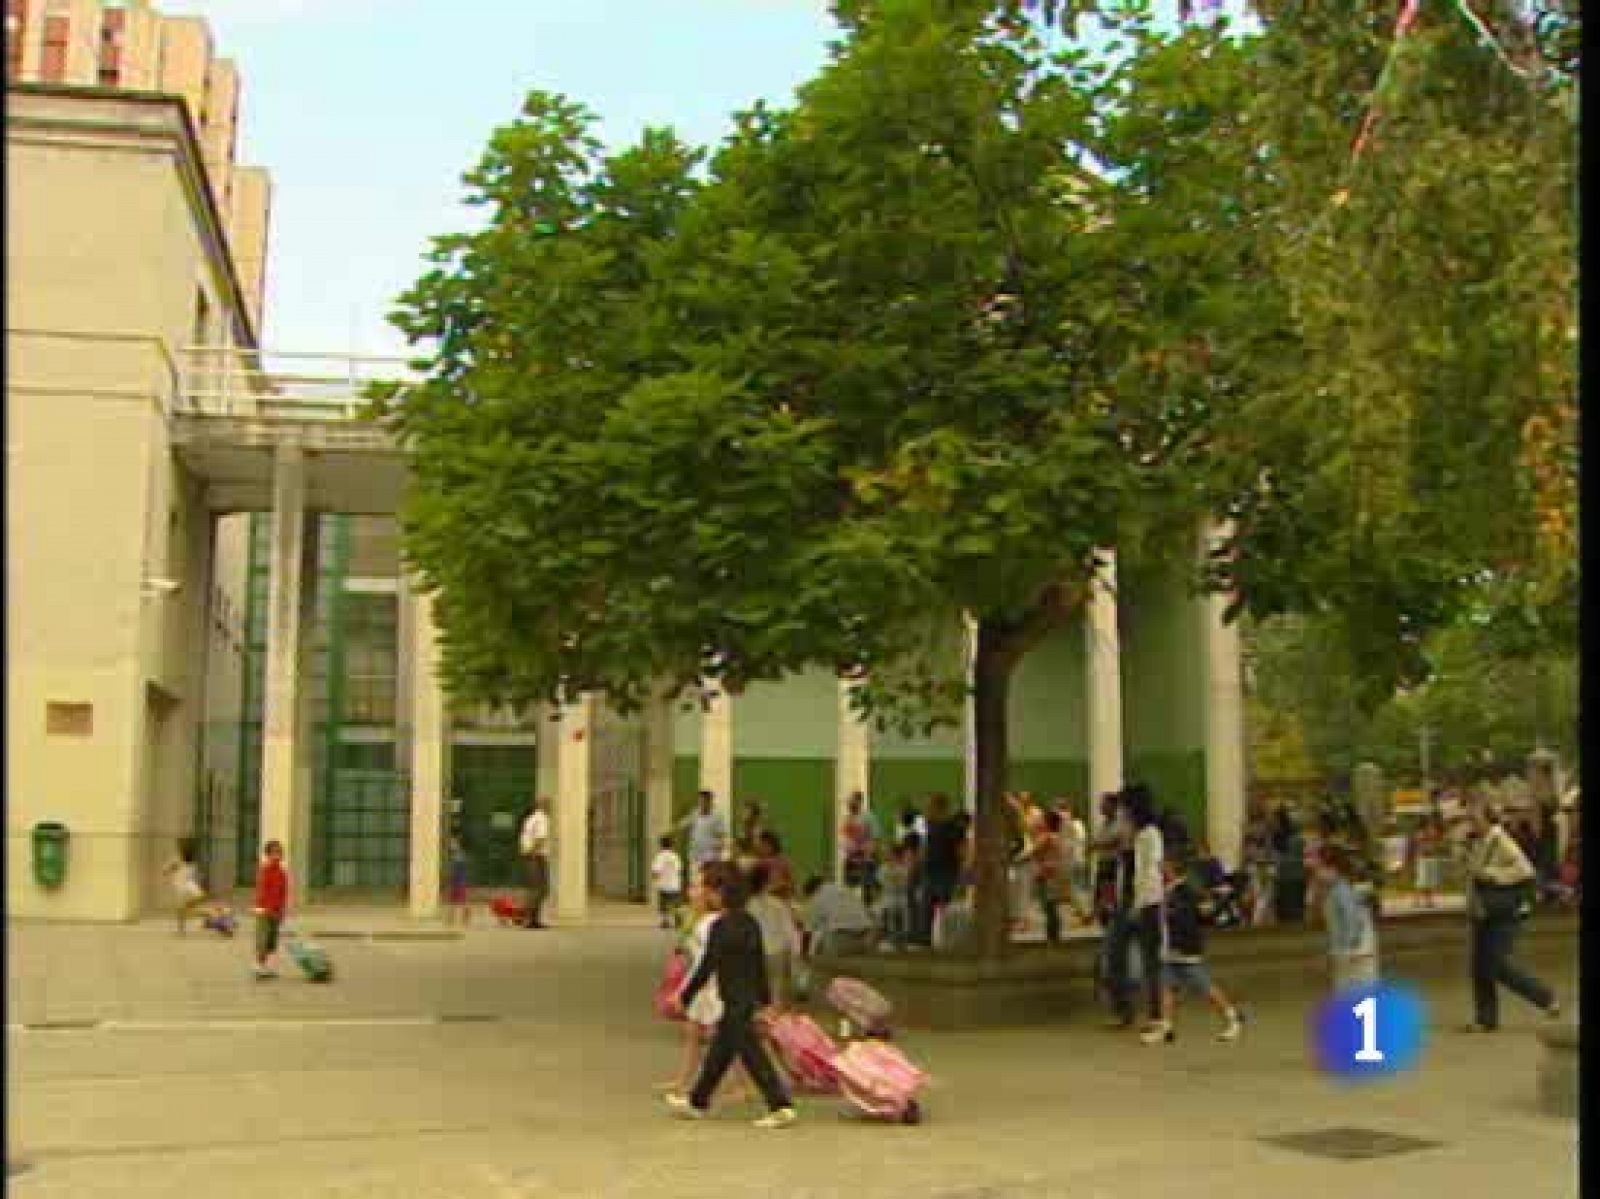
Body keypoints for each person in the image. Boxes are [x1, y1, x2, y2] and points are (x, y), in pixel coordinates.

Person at [667, 863, 798, 1128]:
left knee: (753, 1056)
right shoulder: (750, 923)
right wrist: (765, 1000)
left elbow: (707, 966)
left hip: (733, 999)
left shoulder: (720, 926)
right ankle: (697, 1101)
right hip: (744, 999)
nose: (705, 894)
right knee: (720, 1053)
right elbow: (758, 964)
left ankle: (780, 1105)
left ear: (720, 893)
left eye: (708, 888)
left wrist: (685, 996)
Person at [1460, 803, 1561, 1033]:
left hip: (1503, 911)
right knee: (1480, 967)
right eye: (1470, 818)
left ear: (1488, 819)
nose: (1471, 822)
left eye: (1475, 818)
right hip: (1483, 910)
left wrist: (1493, 875)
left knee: (1497, 965)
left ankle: (1546, 998)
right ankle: (1485, 1019)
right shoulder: (1478, 841)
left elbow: (1525, 871)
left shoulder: (1500, 840)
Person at [659, 864, 752, 1103]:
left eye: (697, 887)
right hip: (705, 986)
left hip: (713, 987)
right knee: (694, 1032)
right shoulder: (702, 920)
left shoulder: (711, 923)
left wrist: (685, 991)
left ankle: (740, 1084)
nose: (691, 892)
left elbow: (706, 961)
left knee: (724, 1035)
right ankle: (684, 1080)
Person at [1142, 856, 1244, 1045]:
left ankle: (1232, 1018)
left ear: (1172, 867)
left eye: (1163, 865)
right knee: (1167, 988)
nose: (1159, 869)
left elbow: (1198, 914)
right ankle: (1166, 1028)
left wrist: (1220, 900)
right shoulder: (1171, 889)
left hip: (1184, 950)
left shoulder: (1186, 889)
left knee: (1205, 987)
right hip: (1170, 949)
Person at [1123, 785, 1167, 1036]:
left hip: (1150, 902)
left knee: (1152, 960)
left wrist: (1140, 903)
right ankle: (1155, 1012)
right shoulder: (1142, 835)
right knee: (1149, 960)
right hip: (1145, 901)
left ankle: (1158, 1015)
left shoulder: (1150, 835)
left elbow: (1150, 871)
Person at [1315, 844, 1379, 990]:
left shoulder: (1341, 890)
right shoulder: (1336, 890)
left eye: (1320, 869)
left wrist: (1349, 950)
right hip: (1354, 951)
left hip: (1355, 952)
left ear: (1333, 869)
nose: (1318, 874)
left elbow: (1352, 919)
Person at [747, 863, 801, 1007]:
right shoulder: (778, 904)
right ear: (767, 882)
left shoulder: (746, 905)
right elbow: (790, 931)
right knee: (775, 993)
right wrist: (796, 953)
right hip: (776, 951)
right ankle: (775, 1016)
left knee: (754, 994)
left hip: (753, 953)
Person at [920, 794, 965, 944]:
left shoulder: (953, 827)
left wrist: (962, 872)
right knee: (927, 910)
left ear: (939, 808)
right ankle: (927, 941)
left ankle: (945, 941)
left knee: (944, 911)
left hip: (946, 874)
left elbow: (961, 850)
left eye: (929, 807)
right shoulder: (931, 826)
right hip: (931, 873)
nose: (927, 811)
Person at [800, 875, 877, 958]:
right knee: (823, 937)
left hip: (843, 938)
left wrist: (804, 954)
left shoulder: (815, 899)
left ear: (810, 891)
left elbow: (808, 931)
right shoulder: (841, 889)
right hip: (868, 935)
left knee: (824, 946)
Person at [1019, 808, 1065, 944]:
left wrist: (1016, 859)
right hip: (1048, 873)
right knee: (1049, 906)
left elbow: (1032, 852)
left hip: (1047, 874)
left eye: (1042, 819)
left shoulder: (1048, 836)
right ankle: (1053, 936)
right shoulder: (1053, 836)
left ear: (1047, 822)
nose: (1039, 821)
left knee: (1050, 906)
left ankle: (1053, 937)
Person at [252, 840, 289, 981]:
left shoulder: (282, 873)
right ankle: (258, 966)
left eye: (280, 852)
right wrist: (266, 908)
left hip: (276, 911)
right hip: (264, 911)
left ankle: (266, 966)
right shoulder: (265, 870)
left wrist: (281, 910)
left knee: (271, 941)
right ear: (268, 855)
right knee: (263, 939)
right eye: (274, 853)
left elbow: (283, 893)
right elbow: (261, 891)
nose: (278, 855)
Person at [162, 837, 212, 935]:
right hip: (188, 887)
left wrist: (169, 871)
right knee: (185, 909)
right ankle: (205, 916)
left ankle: (205, 916)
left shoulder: (180, 860)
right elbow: (197, 875)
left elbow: (166, 870)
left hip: (184, 887)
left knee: (184, 909)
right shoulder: (189, 861)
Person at [840, 791, 881, 906]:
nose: (849, 803)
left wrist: (869, 854)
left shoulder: (869, 817)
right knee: (848, 886)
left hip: (866, 858)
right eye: (849, 801)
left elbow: (875, 837)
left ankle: (868, 908)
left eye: (852, 800)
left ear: (859, 801)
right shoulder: (847, 819)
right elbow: (845, 838)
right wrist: (847, 850)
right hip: (851, 858)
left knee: (867, 888)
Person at [519, 798, 552, 929]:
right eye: (548, 804)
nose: (550, 807)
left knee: (535, 888)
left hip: (529, 855)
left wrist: (527, 851)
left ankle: (530, 918)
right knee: (541, 889)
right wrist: (534, 852)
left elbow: (525, 837)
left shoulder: (531, 818)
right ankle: (529, 918)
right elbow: (540, 838)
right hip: (537, 856)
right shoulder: (542, 818)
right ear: (543, 805)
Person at [877, 838, 915, 949]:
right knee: (890, 917)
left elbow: (905, 882)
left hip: (900, 898)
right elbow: (881, 882)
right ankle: (891, 938)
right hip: (888, 898)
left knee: (903, 918)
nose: (888, 856)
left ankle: (903, 938)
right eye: (886, 853)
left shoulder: (903, 868)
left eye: (890, 853)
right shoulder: (883, 868)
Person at [681, 791, 729, 871]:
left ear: (710, 801)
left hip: (710, 855)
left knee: (708, 876)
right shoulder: (695, 813)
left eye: (704, 801)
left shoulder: (717, 816)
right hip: (695, 854)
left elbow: (721, 835)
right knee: (695, 876)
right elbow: (683, 824)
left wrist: (719, 851)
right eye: (700, 802)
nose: (701, 804)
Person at [651, 834, 685, 930]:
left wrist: (655, 880)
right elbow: (679, 869)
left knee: (663, 904)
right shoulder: (675, 856)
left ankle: (665, 921)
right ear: (672, 845)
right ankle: (678, 920)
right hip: (675, 884)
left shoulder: (659, 856)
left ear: (661, 845)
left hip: (663, 885)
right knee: (676, 903)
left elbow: (656, 871)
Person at [1412, 813, 1444, 910]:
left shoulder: (1431, 831)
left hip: (1430, 857)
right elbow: (1420, 842)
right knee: (1422, 881)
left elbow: (1437, 839)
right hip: (1423, 858)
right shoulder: (1420, 833)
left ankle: (1428, 901)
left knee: (1428, 881)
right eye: (1428, 822)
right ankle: (1416, 900)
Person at [754, 830, 796, 902]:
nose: (762, 847)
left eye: (766, 845)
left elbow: (791, 882)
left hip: (781, 899)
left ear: (773, 845)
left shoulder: (783, 861)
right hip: (766, 899)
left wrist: (784, 886)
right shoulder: (759, 863)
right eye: (762, 844)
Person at [445, 834, 471, 927]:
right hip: (455, 881)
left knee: (461, 900)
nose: (451, 845)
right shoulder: (455, 855)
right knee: (452, 900)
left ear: (457, 844)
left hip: (459, 881)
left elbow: (457, 870)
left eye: (452, 844)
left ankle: (465, 916)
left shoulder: (459, 855)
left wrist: (453, 878)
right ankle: (451, 918)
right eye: (451, 844)